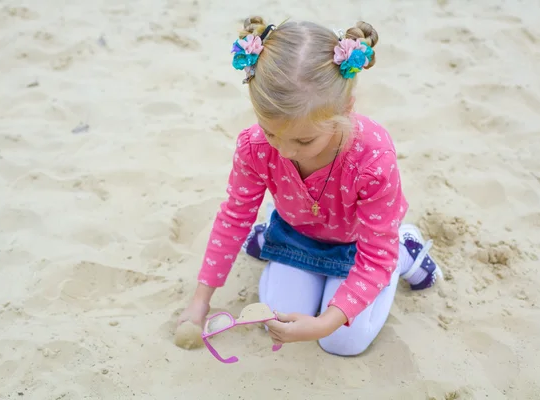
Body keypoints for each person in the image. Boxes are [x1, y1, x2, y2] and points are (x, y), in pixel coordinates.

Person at [177, 16, 442, 356]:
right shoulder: (256, 147)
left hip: (360, 247)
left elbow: (374, 256)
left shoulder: (373, 159)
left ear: (345, 108)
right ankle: (272, 238)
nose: (285, 151)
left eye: (304, 140)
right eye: (271, 132)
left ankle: (405, 250)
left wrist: (325, 323)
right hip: (297, 236)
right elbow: (233, 216)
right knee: (277, 316)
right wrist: (200, 303)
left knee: (341, 342)